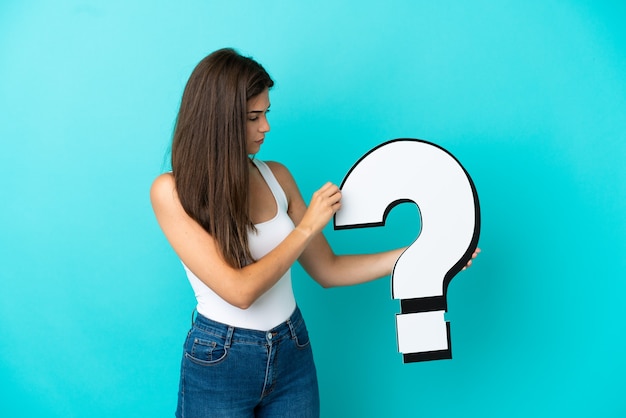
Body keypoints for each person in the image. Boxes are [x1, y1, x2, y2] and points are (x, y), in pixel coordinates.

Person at [150, 48, 478, 418]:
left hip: (292, 348)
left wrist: (426, 256)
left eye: (266, 113)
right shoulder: (172, 192)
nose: (266, 127)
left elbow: (329, 269)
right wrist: (306, 226)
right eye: (253, 117)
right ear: (219, 121)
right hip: (221, 359)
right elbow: (239, 292)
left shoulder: (276, 177)